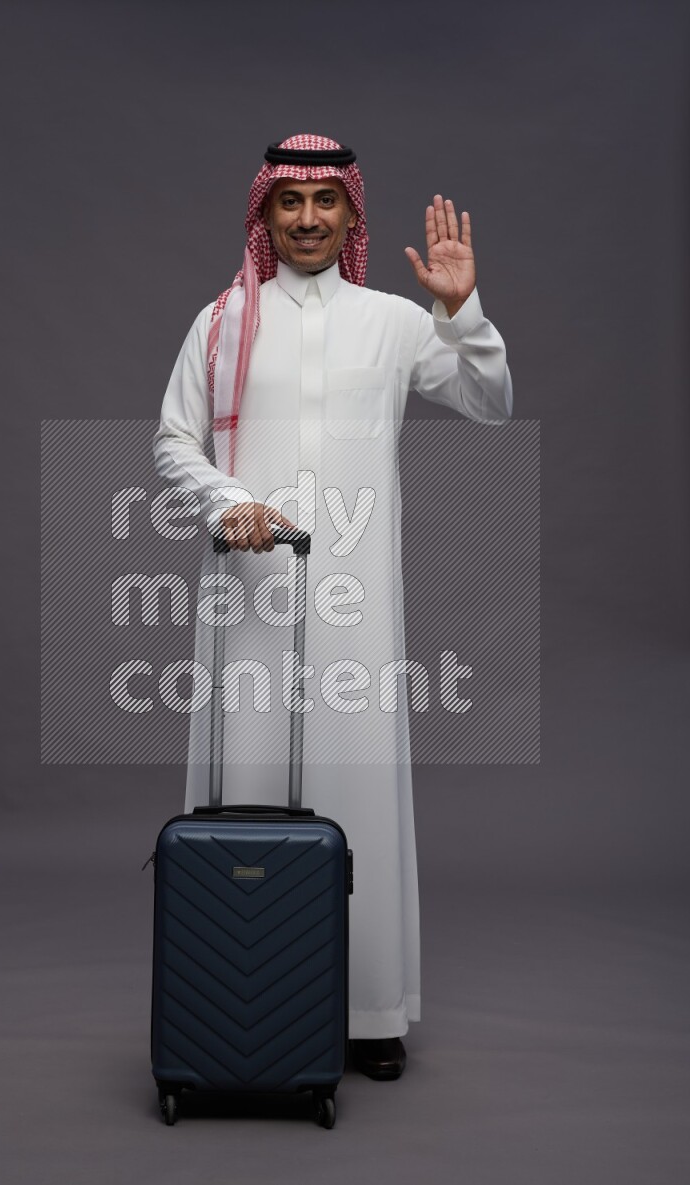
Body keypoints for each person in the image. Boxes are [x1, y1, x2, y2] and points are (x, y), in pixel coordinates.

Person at [152, 133, 512, 1081]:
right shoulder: (224, 323)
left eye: (326, 202)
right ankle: (237, 996)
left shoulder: (396, 322)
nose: (308, 218)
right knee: (250, 784)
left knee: (360, 795)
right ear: (264, 215)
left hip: (357, 609)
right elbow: (172, 441)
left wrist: (462, 309)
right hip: (249, 602)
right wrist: (229, 504)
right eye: (290, 202)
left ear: (353, 215)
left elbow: (489, 401)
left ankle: (367, 1011)